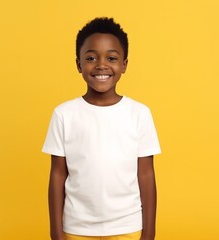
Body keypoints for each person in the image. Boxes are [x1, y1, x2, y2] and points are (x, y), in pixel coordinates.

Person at [42, 17, 161, 240]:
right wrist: (56, 233)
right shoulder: (64, 114)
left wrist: (149, 232)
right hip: (77, 229)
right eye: (91, 57)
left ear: (124, 64)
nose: (101, 65)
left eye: (112, 58)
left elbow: (146, 174)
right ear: (79, 64)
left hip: (128, 227)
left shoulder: (139, 114)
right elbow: (58, 174)